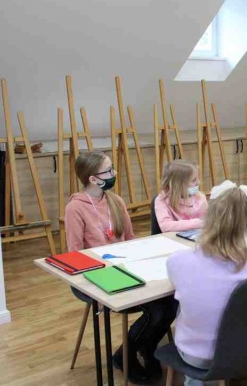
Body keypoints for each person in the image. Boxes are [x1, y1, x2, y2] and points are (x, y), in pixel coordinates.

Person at [65, 151, 176, 383]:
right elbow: (75, 254)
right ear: (93, 179)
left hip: (126, 268)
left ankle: (145, 347)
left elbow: (131, 240)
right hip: (97, 274)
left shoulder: (116, 201)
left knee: (172, 302)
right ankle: (125, 356)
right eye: (108, 171)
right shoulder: (75, 208)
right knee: (157, 311)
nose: (113, 173)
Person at [167, 187, 247, 385]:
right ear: (246, 227)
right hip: (242, 350)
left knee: (183, 305)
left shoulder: (177, 261)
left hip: (195, 356)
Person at [154, 161, 207, 232]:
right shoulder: (162, 200)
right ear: (178, 185)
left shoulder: (200, 198)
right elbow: (165, 226)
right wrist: (199, 223)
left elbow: (210, 220)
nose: (198, 182)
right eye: (194, 180)